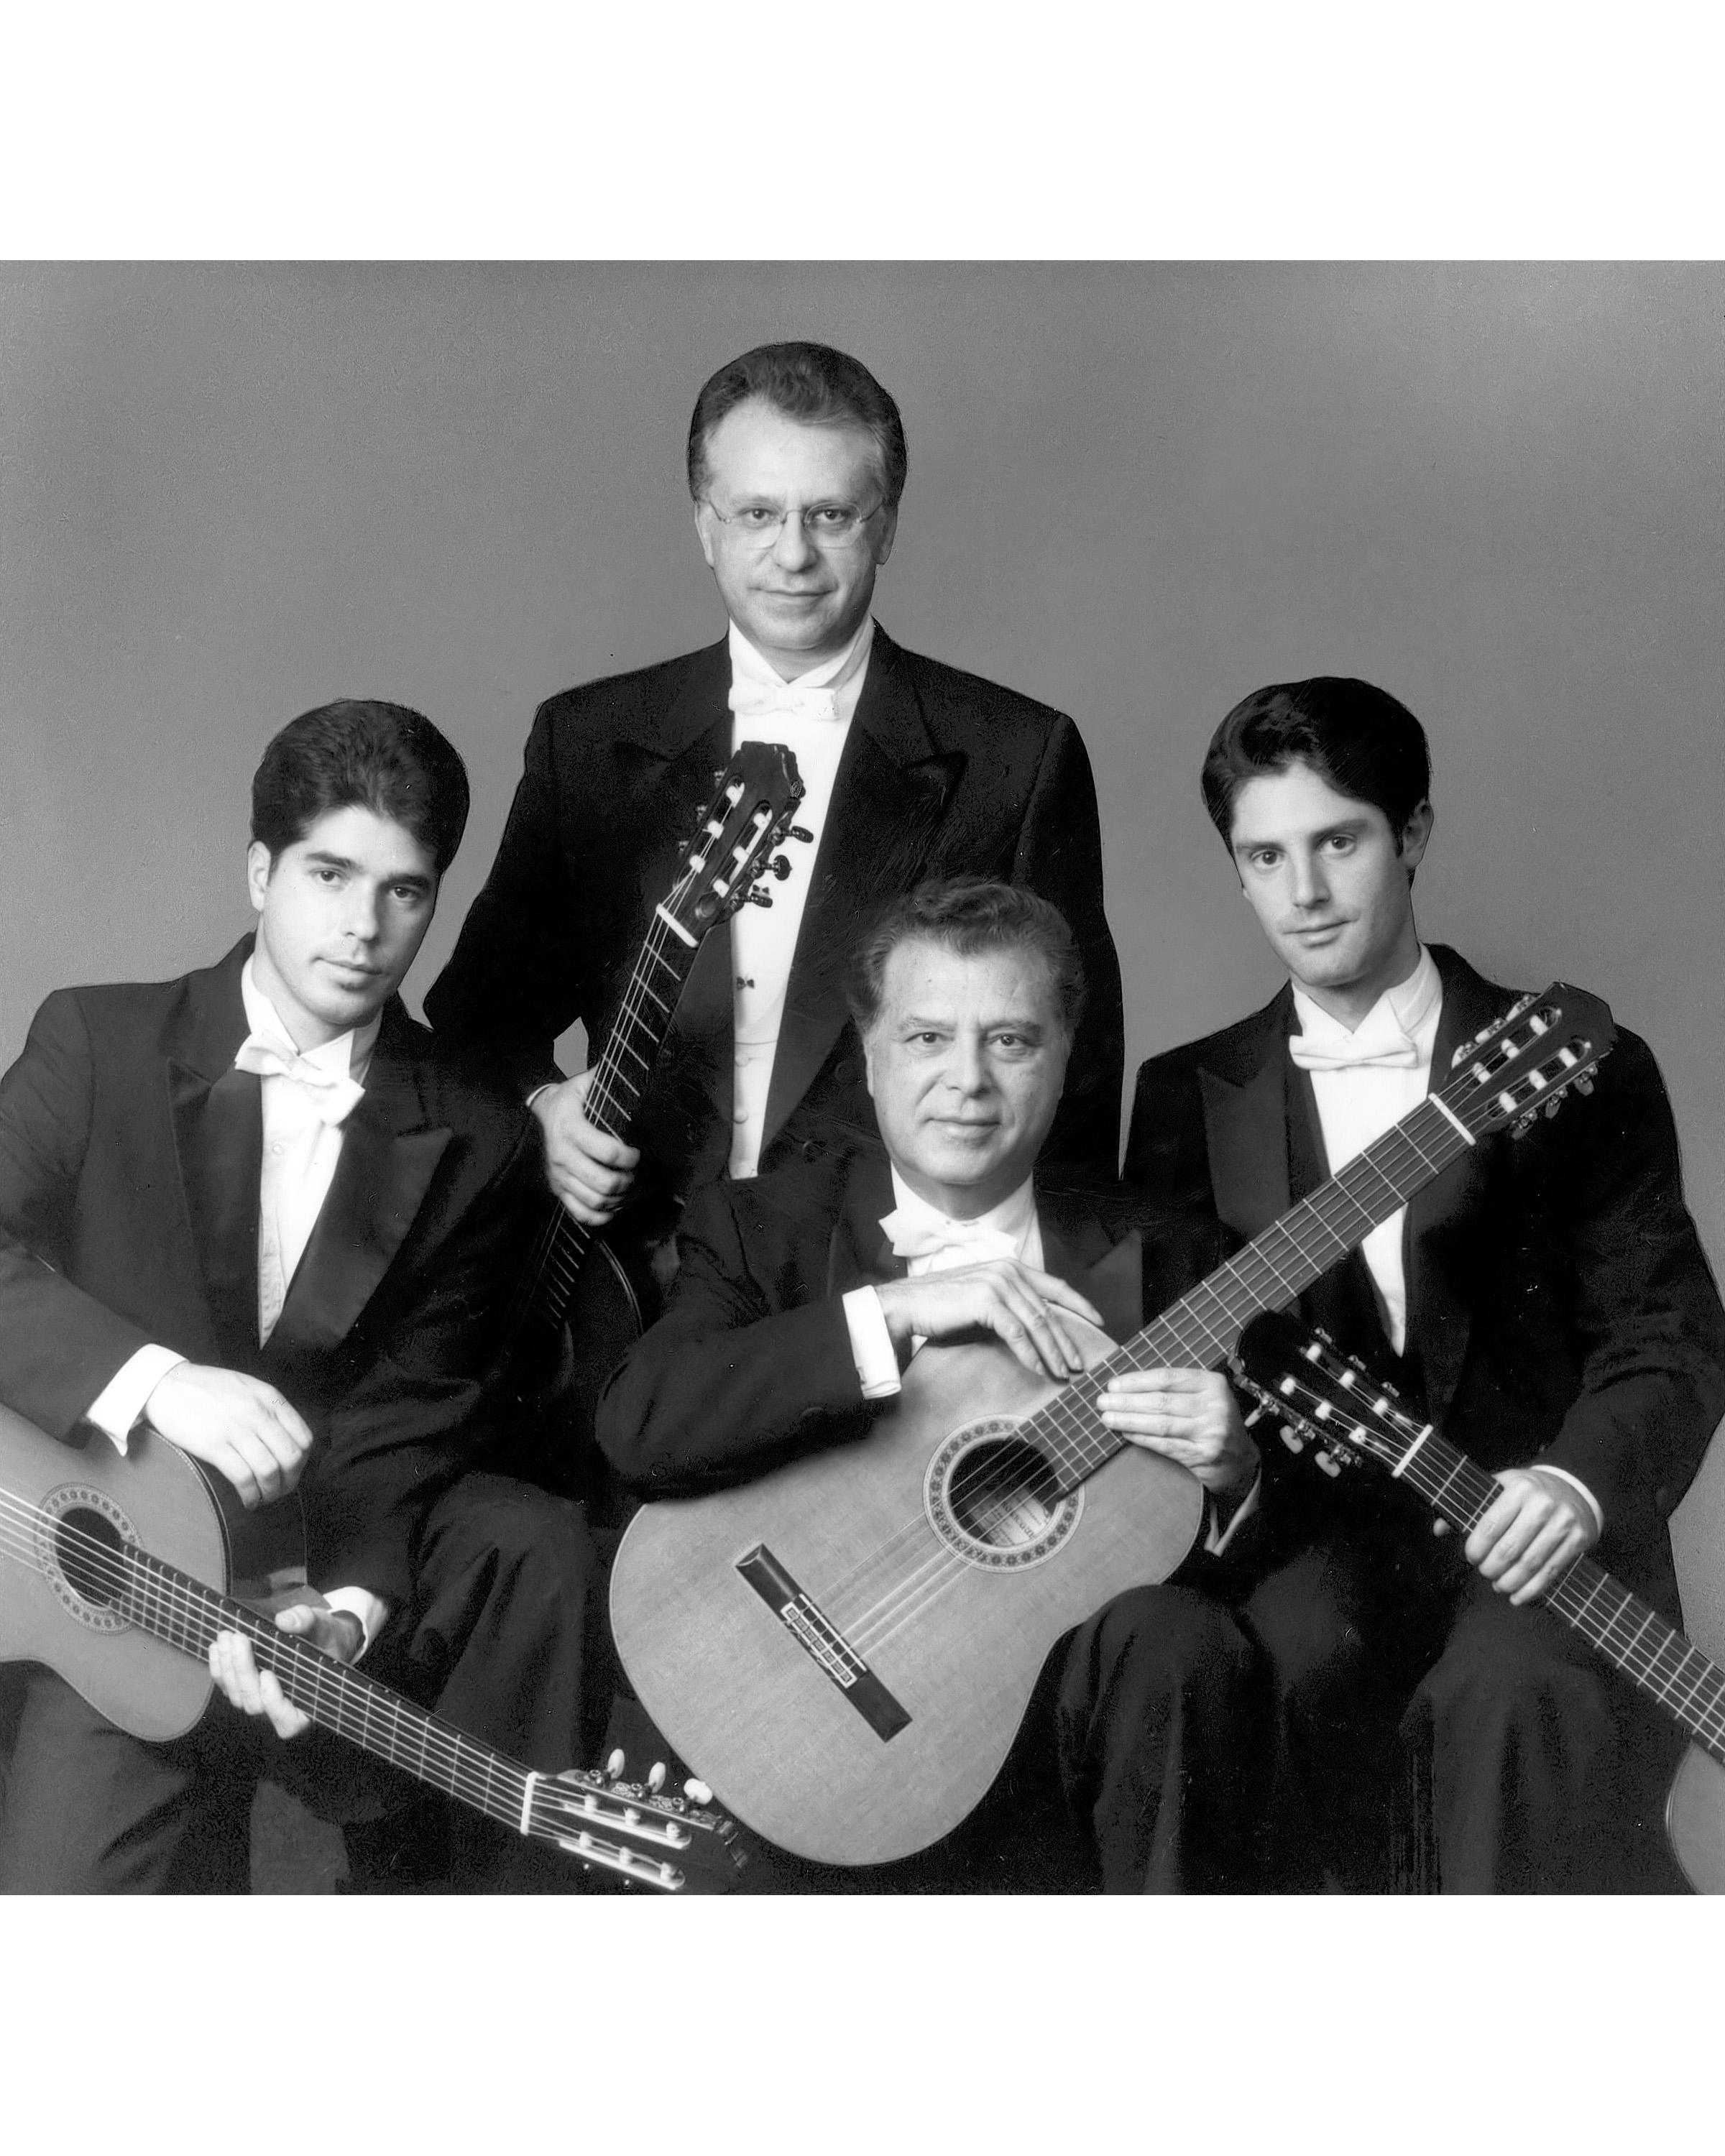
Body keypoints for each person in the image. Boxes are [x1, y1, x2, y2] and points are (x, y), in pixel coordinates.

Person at [1124, 676, 1725, 1892]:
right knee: (1264, 1673)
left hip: (1543, 1555)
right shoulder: (1187, 1094)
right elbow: (1176, 1374)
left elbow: (1669, 1339)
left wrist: (1572, 1484)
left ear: (1413, 837)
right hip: (1317, 1551)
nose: (1302, 894)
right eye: (1264, 855)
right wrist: (1228, 1467)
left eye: (1337, 842)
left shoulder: (1580, 1065)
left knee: (1514, 1693)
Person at [0, 700, 607, 1892]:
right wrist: (157, 1383)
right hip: (100, 1584)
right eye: (330, 874)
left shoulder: (477, 1130)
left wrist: (344, 1608)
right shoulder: (97, 1041)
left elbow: (413, 1414)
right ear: (260, 872)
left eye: (406, 891)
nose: (364, 926)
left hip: (306, 1574)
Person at [597, 878, 1264, 1892]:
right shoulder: (764, 1225)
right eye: (925, 1039)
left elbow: (1244, 1581)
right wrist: (897, 1314)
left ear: (1063, 1058)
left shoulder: (1177, 1257)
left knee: (1183, 1638)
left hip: (1038, 1754)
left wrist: (1236, 1474)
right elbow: (641, 1425)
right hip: (789, 1735)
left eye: (1010, 1040)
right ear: (866, 1057)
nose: (968, 1080)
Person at [425, 341, 1124, 1252]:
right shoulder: (589, 740)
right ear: (705, 525)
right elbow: (480, 1019)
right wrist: (542, 1106)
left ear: (888, 524)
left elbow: (1077, 1079)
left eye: (831, 514)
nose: (792, 554)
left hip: (899, 1282)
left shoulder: (1016, 756)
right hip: (629, 1284)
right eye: (758, 512)